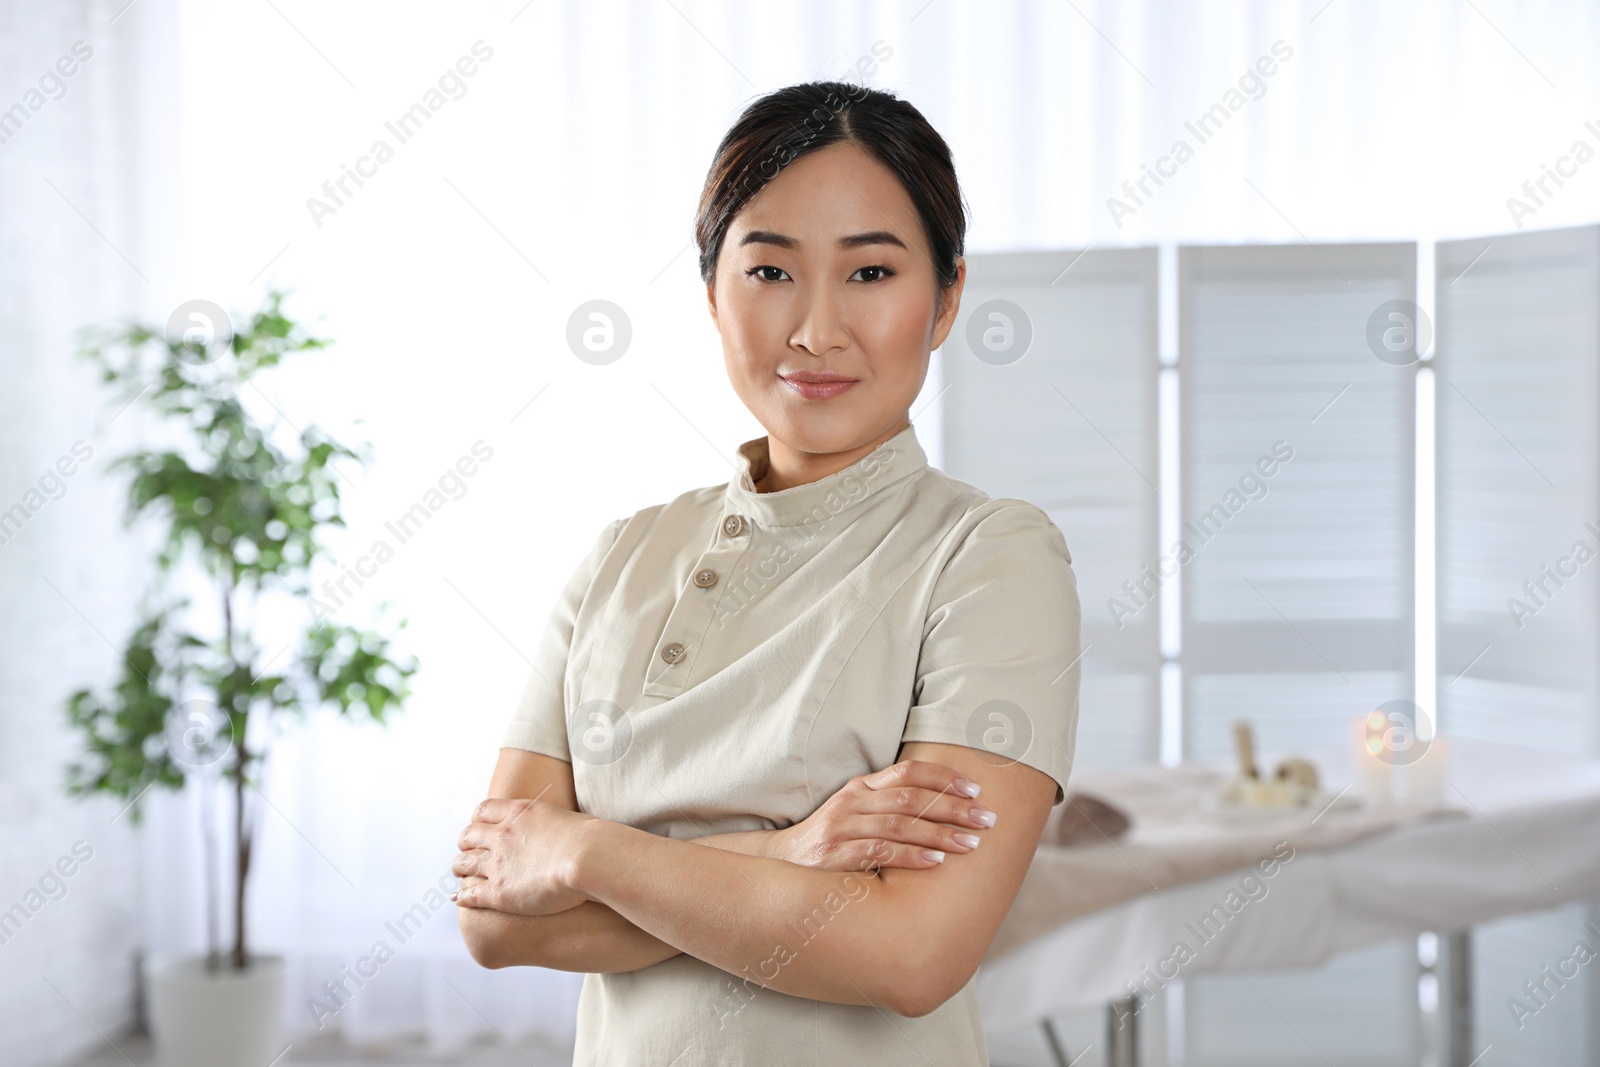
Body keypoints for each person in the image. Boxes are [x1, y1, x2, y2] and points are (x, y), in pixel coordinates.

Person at [452, 79, 1082, 1066]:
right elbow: (493, 918)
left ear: (947, 297)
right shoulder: (621, 556)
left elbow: (913, 950)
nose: (815, 331)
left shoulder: (990, 555)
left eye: (870, 273)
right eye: (770, 272)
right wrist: (787, 854)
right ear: (711, 294)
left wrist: (584, 852)